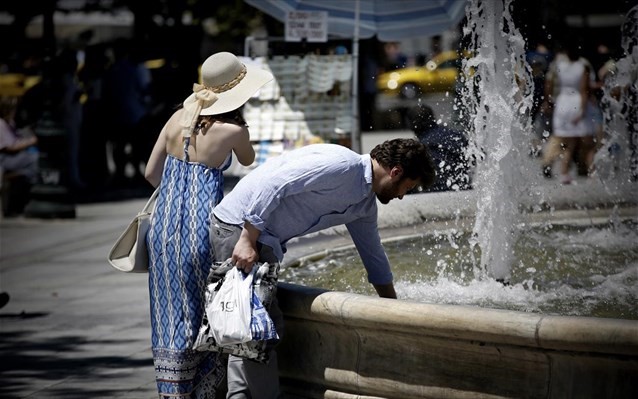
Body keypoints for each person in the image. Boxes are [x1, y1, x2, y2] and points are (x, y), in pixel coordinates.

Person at [209, 138, 435, 398]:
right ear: (396, 172)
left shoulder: (363, 205)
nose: (402, 195)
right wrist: (248, 239)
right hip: (239, 230)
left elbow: (373, 255)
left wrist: (393, 308)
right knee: (261, 331)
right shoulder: (342, 165)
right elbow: (275, 183)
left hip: (261, 239)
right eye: (407, 187)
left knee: (248, 329)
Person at [143, 51, 273, 398]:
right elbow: (248, 160)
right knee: (204, 309)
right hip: (202, 227)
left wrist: (177, 191)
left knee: (169, 309)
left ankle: (172, 390)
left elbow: (151, 173)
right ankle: (202, 391)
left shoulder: (175, 119)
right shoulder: (233, 129)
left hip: (164, 228)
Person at [540, 39, 589, 184]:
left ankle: (548, 160)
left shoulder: (559, 65)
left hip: (561, 102)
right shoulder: (583, 66)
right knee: (571, 142)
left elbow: (549, 83)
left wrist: (547, 100)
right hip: (575, 102)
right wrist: (582, 110)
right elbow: (584, 90)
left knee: (559, 136)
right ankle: (565, 171)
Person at [407, 103, 471, 192]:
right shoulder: (456, 136)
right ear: (433, 118)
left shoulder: (421, 148)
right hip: (463, 189)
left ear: (412, 125)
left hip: (438, 193)